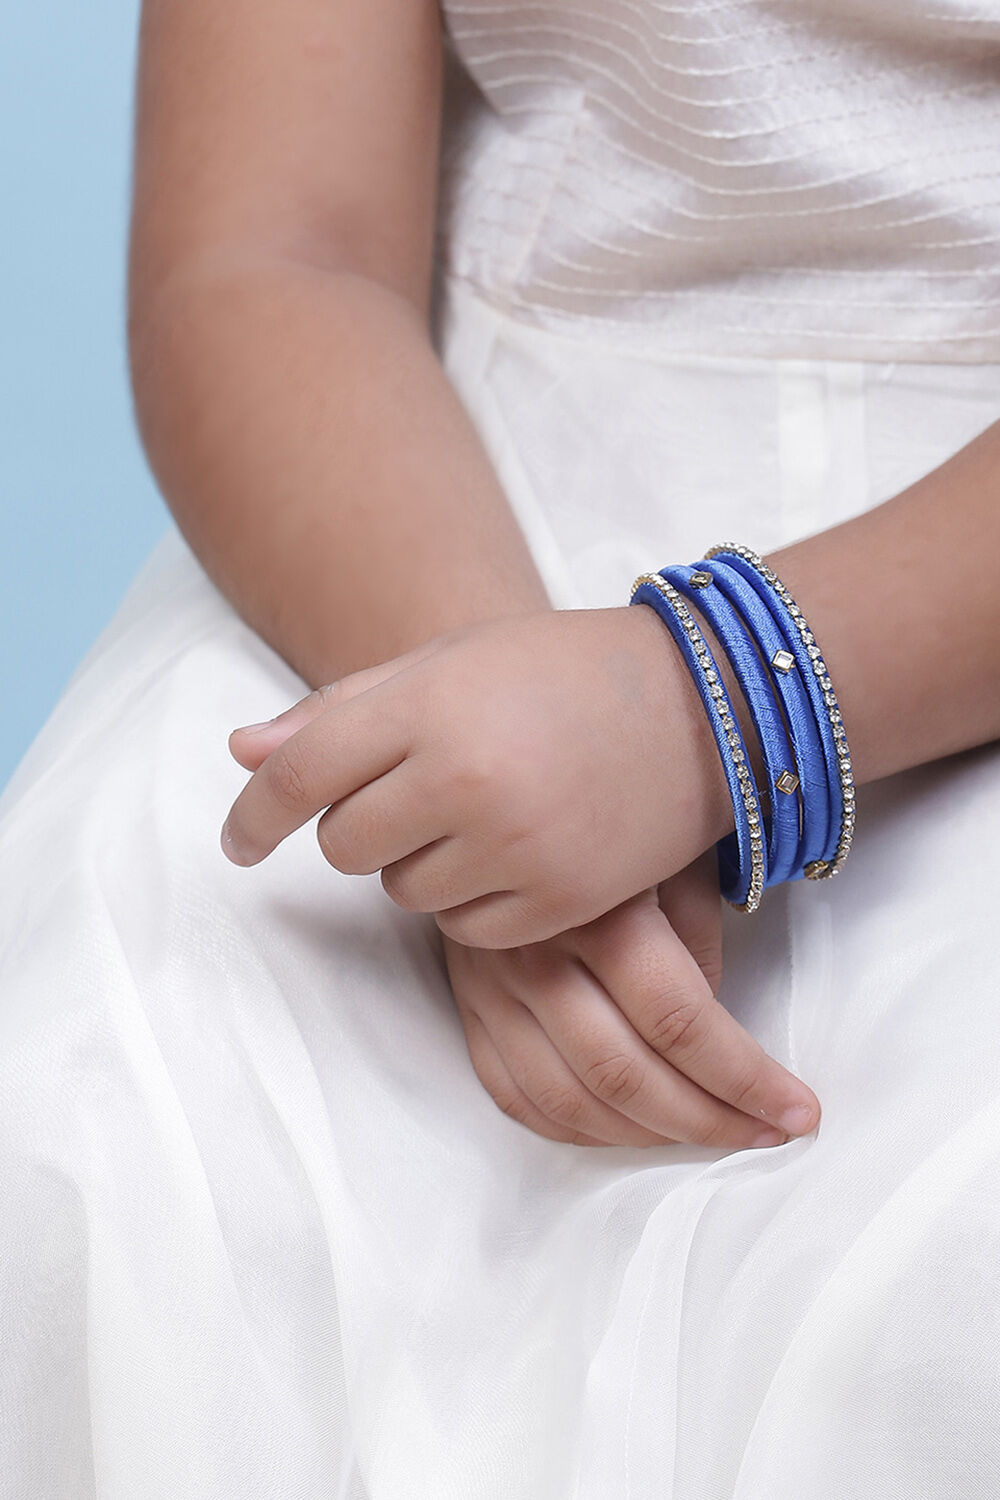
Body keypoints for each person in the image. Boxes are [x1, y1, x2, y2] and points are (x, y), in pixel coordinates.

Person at [2, 0, 999, 1494]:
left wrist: (702, 704)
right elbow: (270, 246)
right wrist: (474, 754)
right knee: (101, 1127)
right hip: (416, 512)